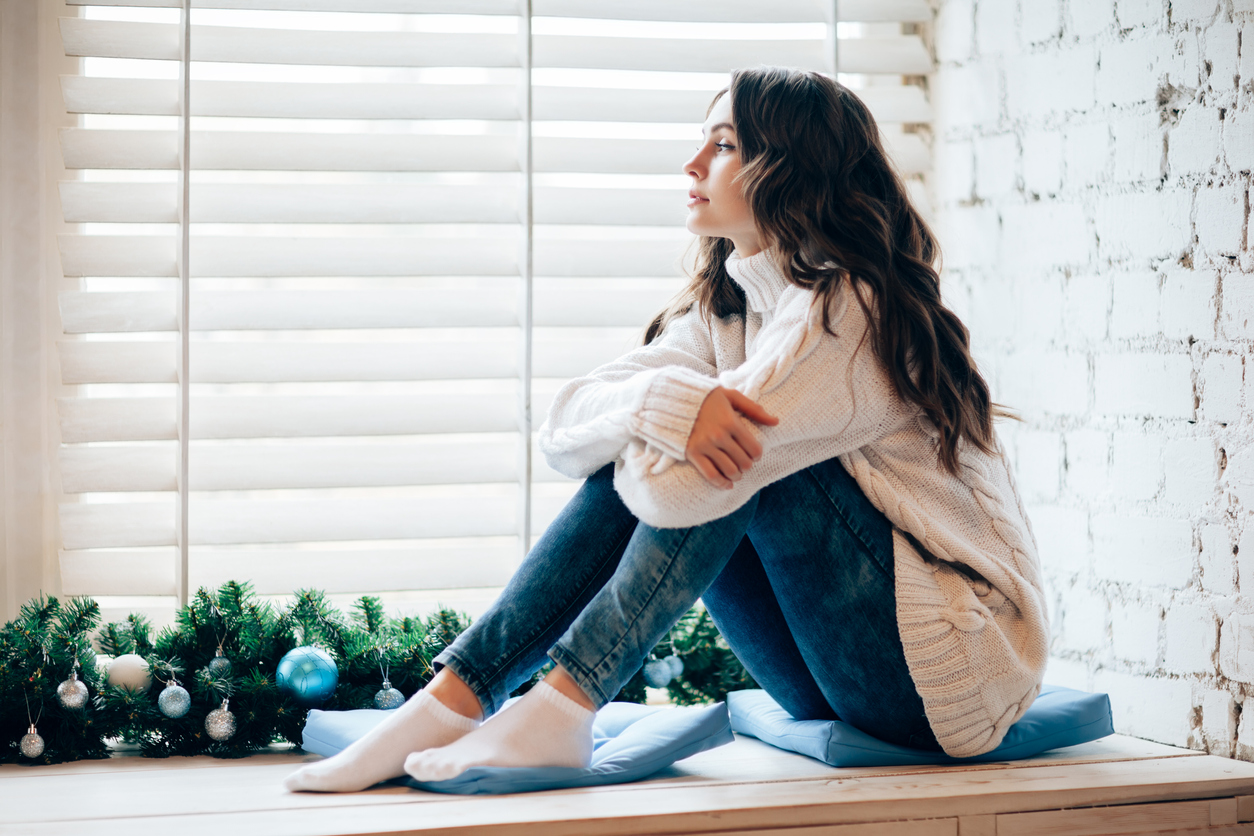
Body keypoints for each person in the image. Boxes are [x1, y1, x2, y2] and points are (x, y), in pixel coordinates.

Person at [285, 66, 1048, 794]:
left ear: (790, 167)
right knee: (683, 424)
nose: (692, 163)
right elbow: (564, 427)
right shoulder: (727, 311)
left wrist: (673, 415)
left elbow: (681, 481)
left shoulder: (857, 308)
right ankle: (453, 699)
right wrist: (659, 404)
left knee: (736, 452)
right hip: (829, 674)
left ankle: (561, 705)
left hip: (952, 675)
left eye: (722, 145)